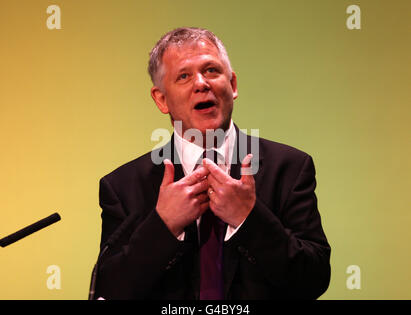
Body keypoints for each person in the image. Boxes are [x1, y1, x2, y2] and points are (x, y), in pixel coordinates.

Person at [93, 27, 331, 300]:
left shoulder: (289, 168)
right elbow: (109, 290)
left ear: (233, 85)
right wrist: (163, 226)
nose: (201, 83)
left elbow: (314, 279)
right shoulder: (123, 187)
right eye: (183, 76)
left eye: (211, 71)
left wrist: (248, 219)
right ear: (161, 99)